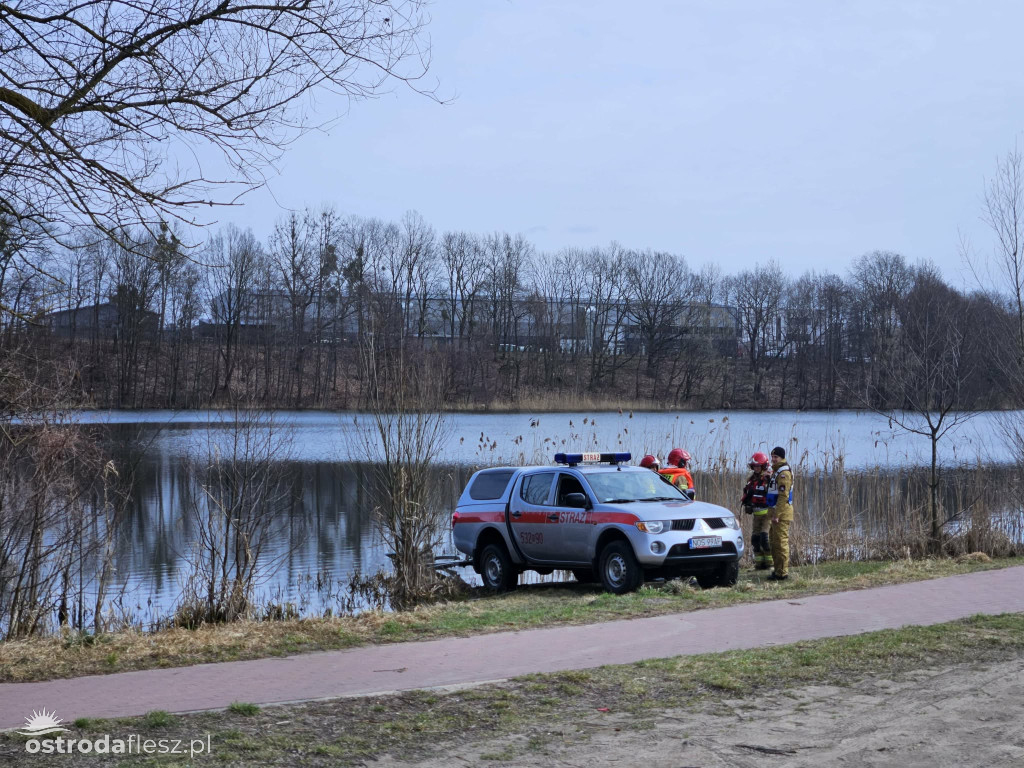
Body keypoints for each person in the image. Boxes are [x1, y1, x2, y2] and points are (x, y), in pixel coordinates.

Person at [766, 446, 795, 581]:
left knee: (781, 542)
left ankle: (782, 573)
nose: (773, 459)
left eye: (775, 457)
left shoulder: (784, 473)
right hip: (774, 513)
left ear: (782, 458)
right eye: (772, 457)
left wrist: (777, 515)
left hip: (781, 514)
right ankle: (778, 570)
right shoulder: (776, 471)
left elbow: (783, 496)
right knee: (773, 542)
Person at [740, 451, 773, 570]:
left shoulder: (768, 478)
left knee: (765, 539)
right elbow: (748, 494)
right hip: (756, 515)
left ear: (764, 466)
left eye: (759, 466)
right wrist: (747, 504)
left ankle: (770, 565)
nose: (757, 468)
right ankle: (759, 565)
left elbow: (774, 494)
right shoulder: (751, 480)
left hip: (767, 514)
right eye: (755, 466)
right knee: (755, 540)